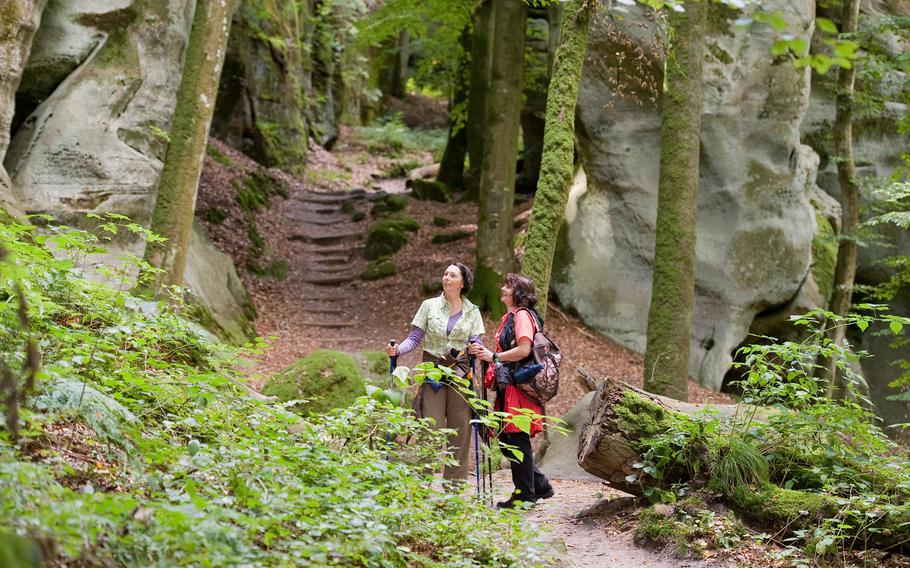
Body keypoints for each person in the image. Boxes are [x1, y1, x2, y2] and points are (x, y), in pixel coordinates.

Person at [387, 262, 485, 482]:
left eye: (453, 275)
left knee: (461, 427)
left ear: (463, 283)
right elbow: (414, 338)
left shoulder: (473, 311)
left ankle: (455, 486)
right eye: (445, 274)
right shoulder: (428, 306)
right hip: (432, 372)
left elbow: (476, 341)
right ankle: (424, 484)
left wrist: (476, 348)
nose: (447, 278)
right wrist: (398, 350)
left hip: (460, 373)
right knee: (431, 425)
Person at [470, 273, 554, 508]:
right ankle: (539, 485)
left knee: (516, 438)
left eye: (508, 286)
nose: (503, 289)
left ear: (519, 293)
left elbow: (524, 349)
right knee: (507, 437)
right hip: (511, 384)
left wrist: (494, 357)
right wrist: (489, 355)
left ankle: (524, 496)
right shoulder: (513, 316)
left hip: (519, 387)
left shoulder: (522, 316)